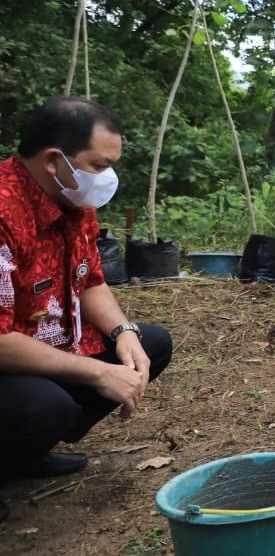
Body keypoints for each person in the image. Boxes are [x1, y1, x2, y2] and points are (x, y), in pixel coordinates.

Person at [0, 97, 173, 522]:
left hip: (42, 348)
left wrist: (124, 333)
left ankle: (26, 452)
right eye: (98, 165)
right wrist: (99, 372)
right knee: (45, 405)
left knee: (151, 343)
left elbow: (89, 280)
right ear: (54, 160)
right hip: (8, 355)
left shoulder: (73, 202)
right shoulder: (4, 213)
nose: (106, 177)